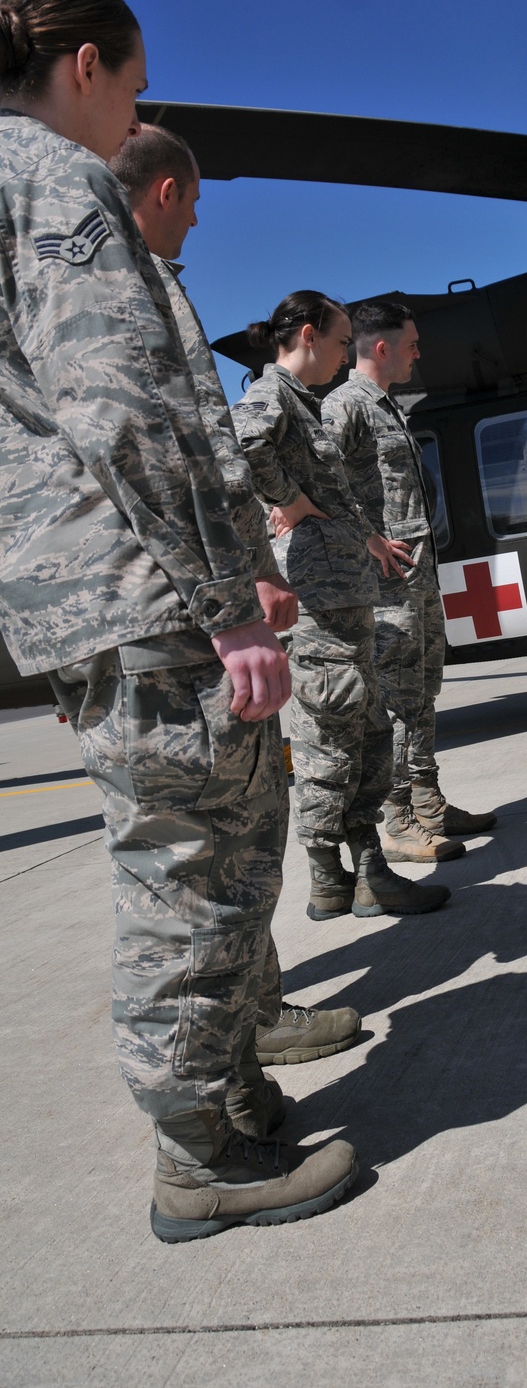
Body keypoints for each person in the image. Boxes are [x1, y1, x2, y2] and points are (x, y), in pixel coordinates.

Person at [0, 0, 356, 1243]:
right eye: (132, 85)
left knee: (202, 857)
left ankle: (234, 1097)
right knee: (188, 881)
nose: (132, 113)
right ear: (85, 67)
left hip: (85, 593)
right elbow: (120, 413)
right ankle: (199, 1158)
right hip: (140, 595)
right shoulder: (52, 179)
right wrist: (228, 605)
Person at [110, 123, 363, 1072]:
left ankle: (253, 1021)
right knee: (207, 860)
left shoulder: (131, 282)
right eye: (197, 200)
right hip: (170, 616)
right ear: (169, 191)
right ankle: (209, 1106)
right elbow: (173, 454)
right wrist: (237, 594)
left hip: (180, 604)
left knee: (236, 849)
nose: (200, 219)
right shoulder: (114, 282)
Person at [233, 292, 450, 918]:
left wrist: (367, 536)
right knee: (328, 740)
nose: (342, 355)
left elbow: (334, 494)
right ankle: (329, 875)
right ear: (308, 335)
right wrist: (289, 500)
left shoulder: (306, 405)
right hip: (321, 603)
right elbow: (245, 450)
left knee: (369, 734)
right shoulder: (271, 397)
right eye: (338, 341)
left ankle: (370, 871)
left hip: (350, 596)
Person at [319, 300, 496, 861]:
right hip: (384, 587)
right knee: (395, 703)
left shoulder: (388, 409)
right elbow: (318, 483)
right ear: (381, 347)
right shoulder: (346, 406)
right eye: (412, 344)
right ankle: (396, 823)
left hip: (415, 582)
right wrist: (367, 539)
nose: (419, 353)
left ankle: (429, 805)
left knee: (421, 697)